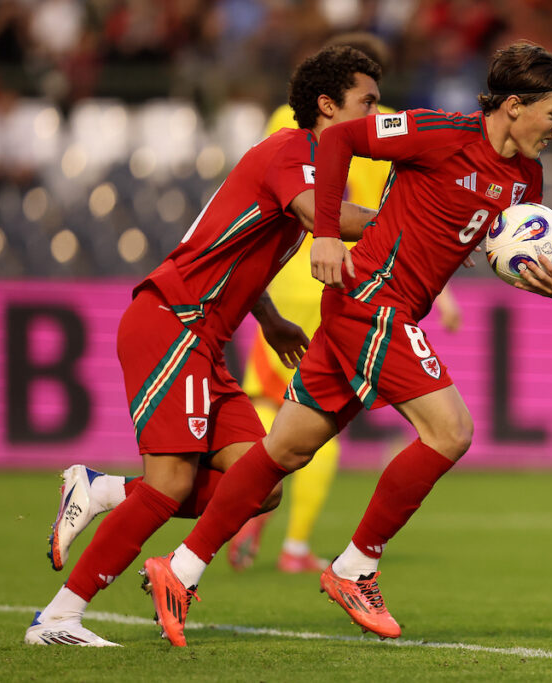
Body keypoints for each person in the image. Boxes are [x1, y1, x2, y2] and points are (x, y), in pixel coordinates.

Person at [140, 40, 552, 648]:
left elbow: (513, 245)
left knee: (283, 450)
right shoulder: (437, 129)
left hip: (382, 309)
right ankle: (356, 567)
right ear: (511, 105)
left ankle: (180, 570)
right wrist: (323, 233)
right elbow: (342, 139)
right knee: (450, 432)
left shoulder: (527, 178)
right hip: (369, 299)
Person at [23, 45, 383, 647]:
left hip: (204, 340)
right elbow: (323, 216)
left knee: (260, 484)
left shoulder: (307, 166)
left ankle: (104, 490)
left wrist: (266, 317)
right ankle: (58, 619)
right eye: (366, 103)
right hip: (172, 321)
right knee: (167, 484)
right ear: (327, 106)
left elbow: (238, 246)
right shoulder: (297, 151)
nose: (375, 116)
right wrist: (417, 220)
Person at [228, 33, 463, 575]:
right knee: (318, 412)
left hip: (299, 273)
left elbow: (290, 186)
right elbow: (410, 217)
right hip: (362, 280)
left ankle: (257, 516)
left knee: (285, 403)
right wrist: (442, 286)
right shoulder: (400, 127)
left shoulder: (285, 120)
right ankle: (291, 540)